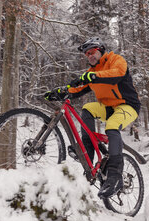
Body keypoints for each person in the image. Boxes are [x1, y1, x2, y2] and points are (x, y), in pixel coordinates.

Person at [45, 37, 141, 198]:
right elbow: (77, 88)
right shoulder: (91, 73)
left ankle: (115, 175)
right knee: (88, 108)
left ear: (101, 50)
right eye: (87, 54)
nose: (89, 56)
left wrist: (93, 77)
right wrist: (61, 91)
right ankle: (87, 150)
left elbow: (117, 74)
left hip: (127, 105)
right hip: (108, 108)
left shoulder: (116, 60)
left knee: (111, 126)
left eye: (92, 52)